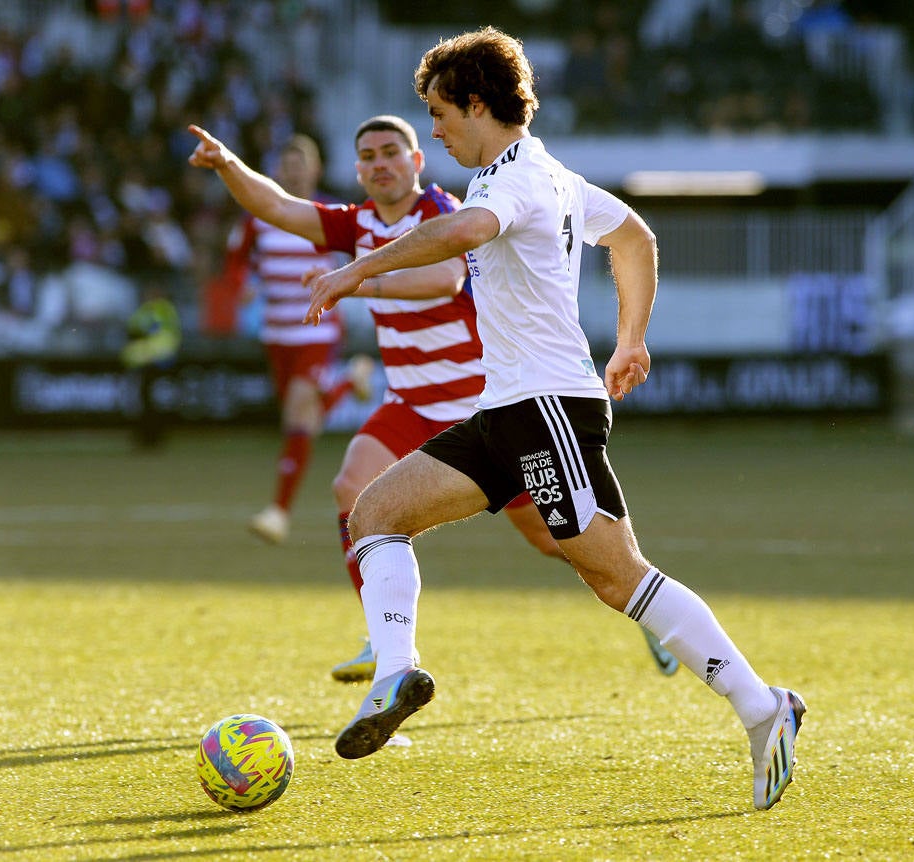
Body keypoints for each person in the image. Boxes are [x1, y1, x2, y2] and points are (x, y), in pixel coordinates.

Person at [304, 27, 805, 811]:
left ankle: (762, 707)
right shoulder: (547, 177)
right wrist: (631, 338)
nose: (432, 131)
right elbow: (632, 234)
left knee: (615, 574)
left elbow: (467, 232)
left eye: (437, 112)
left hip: (546, 411)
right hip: (503, 410)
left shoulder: (516, 177)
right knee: (374, 514)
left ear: (476, 104)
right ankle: (396, 671)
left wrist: (361, 267)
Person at [188, 114, 678, 686]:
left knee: (559, 541)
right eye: (368, 156)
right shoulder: (359, 223)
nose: (380, 163)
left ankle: (645, 604)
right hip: (409, 406)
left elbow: (444, 278)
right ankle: (383, 643)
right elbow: (279, 208)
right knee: (352, 487)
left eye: (392, 151)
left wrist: (358, 279)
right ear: (358, 171)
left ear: (416, 162)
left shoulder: (444, 211)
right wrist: (228, 164)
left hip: (481, 408)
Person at [207, 134, 371, 544]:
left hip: (316, 330)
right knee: (303, 422)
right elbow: (235, 262)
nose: (295, 171)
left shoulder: (327, 214)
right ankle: (352, 380)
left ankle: (278, 512)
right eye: (288, 164)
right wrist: (241, 284)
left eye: (302, 164)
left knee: (299, 412)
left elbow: (362, 254)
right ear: (278, 171)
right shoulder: (258, 216)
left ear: (315, 169)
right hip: (276, 332)